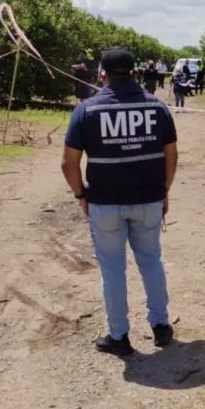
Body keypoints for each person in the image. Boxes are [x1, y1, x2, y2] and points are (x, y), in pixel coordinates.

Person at [61, 47, 178, 356]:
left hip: (105, 204)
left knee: (113, 270)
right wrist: (164, 189)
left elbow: (68, 164)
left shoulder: (86, 110)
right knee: (151, 260)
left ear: (102, 74)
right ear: (135, 72)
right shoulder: (158, 108)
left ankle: (119, 336)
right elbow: (172, 155)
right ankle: (161, 326)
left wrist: (80, 195)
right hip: (148, 200)